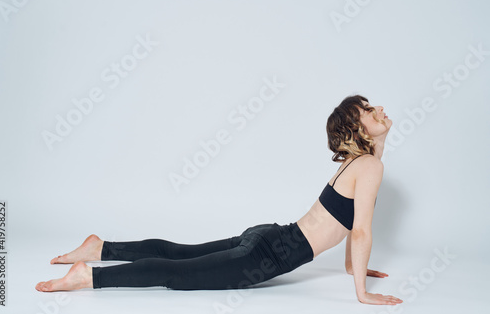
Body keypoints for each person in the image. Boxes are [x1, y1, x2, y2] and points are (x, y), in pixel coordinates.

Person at [35, 94, 403, 306]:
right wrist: (363, 295)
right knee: (177, 274)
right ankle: (89, 277)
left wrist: (354, 267)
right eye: (369, 111)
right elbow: (360, 232)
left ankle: (101, 248)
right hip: (265, 255)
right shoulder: (367, 166)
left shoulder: (362, 164)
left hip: (267, 237)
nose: (378, 110)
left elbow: (353, 221)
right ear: (358, 130)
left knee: (179, 253)